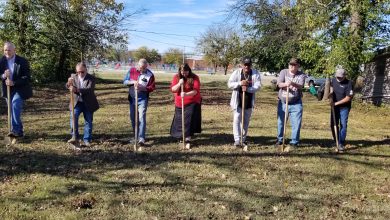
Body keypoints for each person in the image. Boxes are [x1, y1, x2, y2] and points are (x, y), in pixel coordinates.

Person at [228, 57, 261, 151]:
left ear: (251, 65)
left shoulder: (255, 73)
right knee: (236, 119)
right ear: (242, 64)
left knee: (245, 121)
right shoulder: (237, 72)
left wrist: (248, 89)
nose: (246, 66)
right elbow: (229, 84)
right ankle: (237, 140)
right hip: (237, 100)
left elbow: (258, 86)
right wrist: (240, 83)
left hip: (249, 101)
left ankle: (243, 139)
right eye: (245, 64)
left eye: (248, 64)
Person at [0, 41, 33, 138]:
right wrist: (3, 75)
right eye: (5, 50)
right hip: (7, 89)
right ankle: (19, 131)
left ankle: (15, 130)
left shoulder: (22, 61)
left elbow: (27, 77)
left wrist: (14, 82)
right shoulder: (2, 61)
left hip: (20, 89)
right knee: (11, 110)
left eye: (9, 50)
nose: (7, 52)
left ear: (14, 50)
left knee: (15, 104)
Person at [66, 62, 99, 147]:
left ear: (86, 70)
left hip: (88, 103)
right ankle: (74, 137)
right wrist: (69, 83)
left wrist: (76, 90)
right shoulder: (73, 77)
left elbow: (89, 89)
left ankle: (87, 139)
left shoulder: (91, 78)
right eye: (78, 72)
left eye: (82, 72)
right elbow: (67, 86)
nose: (80, 74)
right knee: (73, 117)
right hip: (77, 103)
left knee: (88, 121)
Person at [123, 58, 155, 146]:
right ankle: (135, 136)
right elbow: (124, 81)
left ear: (146, 66)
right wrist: (133, 82)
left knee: (141, 118)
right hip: (132, 98)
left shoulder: (150, 74)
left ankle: (141, 138)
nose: (142, 70)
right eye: (141, 67)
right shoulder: (132, 70)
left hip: (143, 99)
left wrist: (143, 88)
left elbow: (152, 87)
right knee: (133, 118)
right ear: (138, 65)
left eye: (144, 68)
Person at [276, 58, 305, 150]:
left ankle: (294, 142)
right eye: (290, 64)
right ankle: (280, 139)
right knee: (281, 122)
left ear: (298, 66)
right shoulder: (283, 72)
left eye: (294, 65)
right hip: (283, 102)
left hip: (296, 103)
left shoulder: (301, 75)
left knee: (296, 123)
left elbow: (301, 85)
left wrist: (292, 83)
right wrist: (285, 84)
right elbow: (279, 84)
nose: (292, 66)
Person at [170, 63, 202, 149]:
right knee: (179, 120)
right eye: (183, 72)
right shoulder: (176, 77)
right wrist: (179, 84)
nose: (184, 74)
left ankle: (187, 138)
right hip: (179, 102)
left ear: (189, 70)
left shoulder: (194, 77)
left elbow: (195, 91)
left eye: (186, 72)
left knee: (188, 120)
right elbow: (173, 89)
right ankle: (180, 137)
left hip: (192, 101)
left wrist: (186, 94)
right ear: (180, 71)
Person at [329, 68, 353, 152]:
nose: (338, 79)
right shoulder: (333, 80)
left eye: (340, 77)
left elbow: (348, 98)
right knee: (333, 124)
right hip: (334, 107)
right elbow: (331, 89)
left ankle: (341, 143)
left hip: (344, 107)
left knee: (343, 124)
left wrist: (336, 103)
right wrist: (331, 96)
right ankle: (336, 140)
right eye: (337, 77)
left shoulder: (349, 83)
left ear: (344, 76)